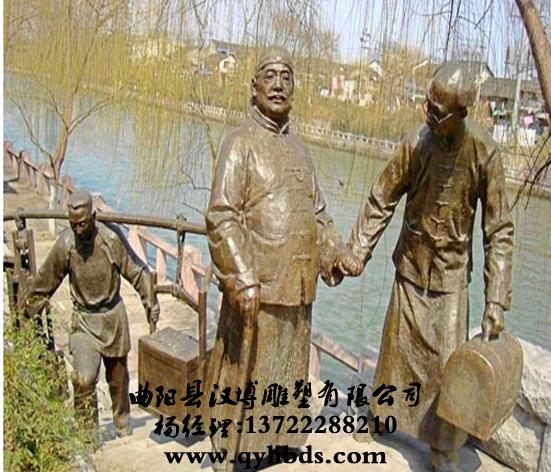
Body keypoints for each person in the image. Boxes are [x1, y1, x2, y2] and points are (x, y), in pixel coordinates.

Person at [338, 62, 514, 472]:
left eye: (438, 111)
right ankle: (381, 415)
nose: (429, 115)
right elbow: (381, 199)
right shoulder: (414, 145)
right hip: (411, 268)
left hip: (451, 278)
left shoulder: (484, 153)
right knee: (393, 354)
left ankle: (444, 446)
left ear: (461, 113)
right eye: (427, 105)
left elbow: (499, 230)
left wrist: (495, 300)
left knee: (446, 368)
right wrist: (358, 251)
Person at [205, 45, 348, 469]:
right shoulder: (239, 143)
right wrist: (242, 276)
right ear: (253, 88)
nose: (279, 84)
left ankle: (279, 440)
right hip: (259, 290)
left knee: (287, 373)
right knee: (248, 376)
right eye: (270, 76)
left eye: (287, 77)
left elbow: (318, 214)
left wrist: (335, 253)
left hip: (298, 287)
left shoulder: (301, 150)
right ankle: (237, 449)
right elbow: (221, 216)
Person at [26, 190, 160, 439]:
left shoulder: (111, 238)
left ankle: (122, 423)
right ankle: (87, 434)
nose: (78, 229)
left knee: (118, 380)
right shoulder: (67, 244)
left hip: (113, 318)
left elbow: (137, 271)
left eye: (83, 223)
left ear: (93, 217)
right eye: (73, 224)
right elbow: (46, 280)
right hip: (84, 321)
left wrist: (150, 300)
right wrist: (26, 313)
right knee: (83, 378)